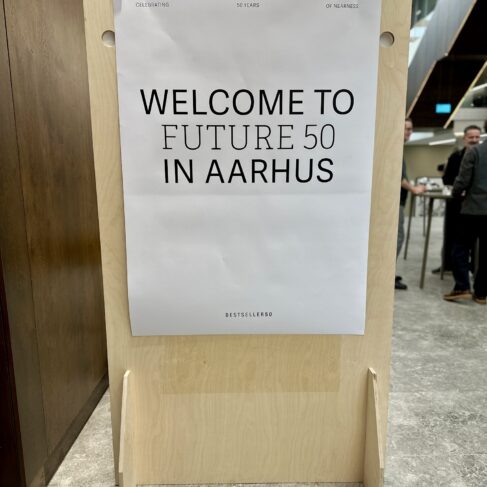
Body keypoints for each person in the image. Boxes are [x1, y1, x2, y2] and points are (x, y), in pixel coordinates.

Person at [432, 125, 481, 274]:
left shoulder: (483, 157)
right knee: (451, 236)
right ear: (464, 138)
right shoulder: (455, 157)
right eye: (471, 137)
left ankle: (473, 268)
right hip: (456, 204)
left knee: (475, 241)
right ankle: (448, 265)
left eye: (477, 137)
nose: (474, 140)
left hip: (476, 206)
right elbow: (447, 179)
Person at [443, 139, 487, 304]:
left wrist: (456, 193)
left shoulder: (475, 151)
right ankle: (482, 293)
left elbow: (463, 179)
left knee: (460, 247)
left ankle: (462, 287)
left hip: (473, 208)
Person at [395, 118, 427, 290]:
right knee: (397, 238)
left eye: (410, 128)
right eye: (406, 128)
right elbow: (398, 178)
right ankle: (388, 275)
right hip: (395, 202)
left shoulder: (399, 149)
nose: (409, 132)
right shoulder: (395, 149)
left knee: (397, 237)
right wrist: (413, 188)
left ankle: (389, 272)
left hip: (399, 201)